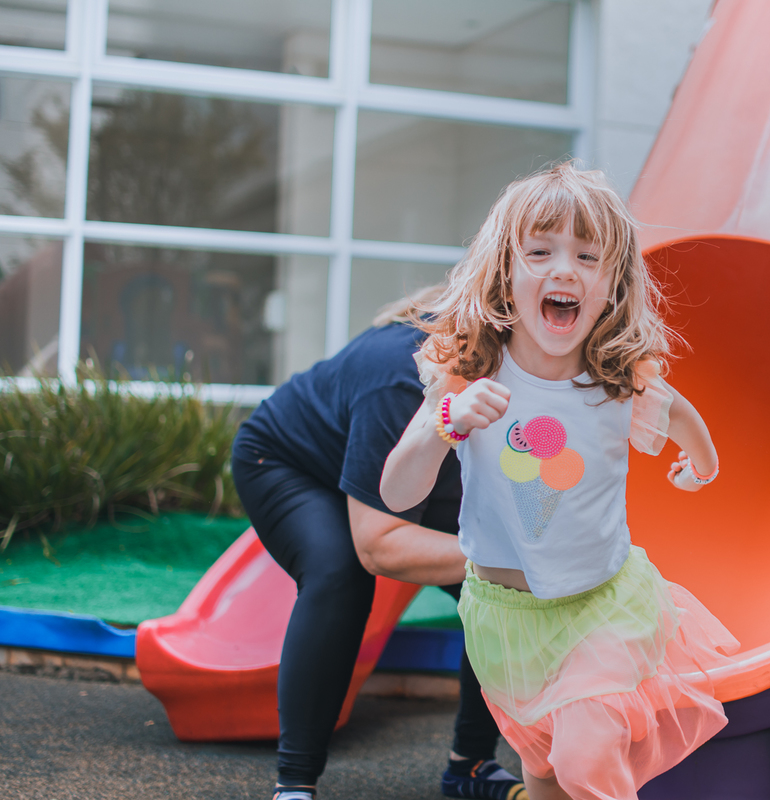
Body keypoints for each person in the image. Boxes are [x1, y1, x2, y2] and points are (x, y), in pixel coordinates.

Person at [380, 162, 738, 800]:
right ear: (505, 277)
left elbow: (683, 417)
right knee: (543, 774)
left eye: (587, 256)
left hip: (603, 607)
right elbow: (397, 493)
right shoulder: (467, 379)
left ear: (611, 289)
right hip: (504, 620)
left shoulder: (616, 385)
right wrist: (444, 425)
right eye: (540, 252)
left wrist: (702, 464)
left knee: (584, 756)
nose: (564, 269)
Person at [231, 309, 529, 800]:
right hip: (293, 463)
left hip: (415, 474)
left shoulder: (538, 376)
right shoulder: (403, 381)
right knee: (340, 571)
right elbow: (378, 543)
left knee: (501, 588)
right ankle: (294, 784)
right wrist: (506, 560)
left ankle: (470, 767)